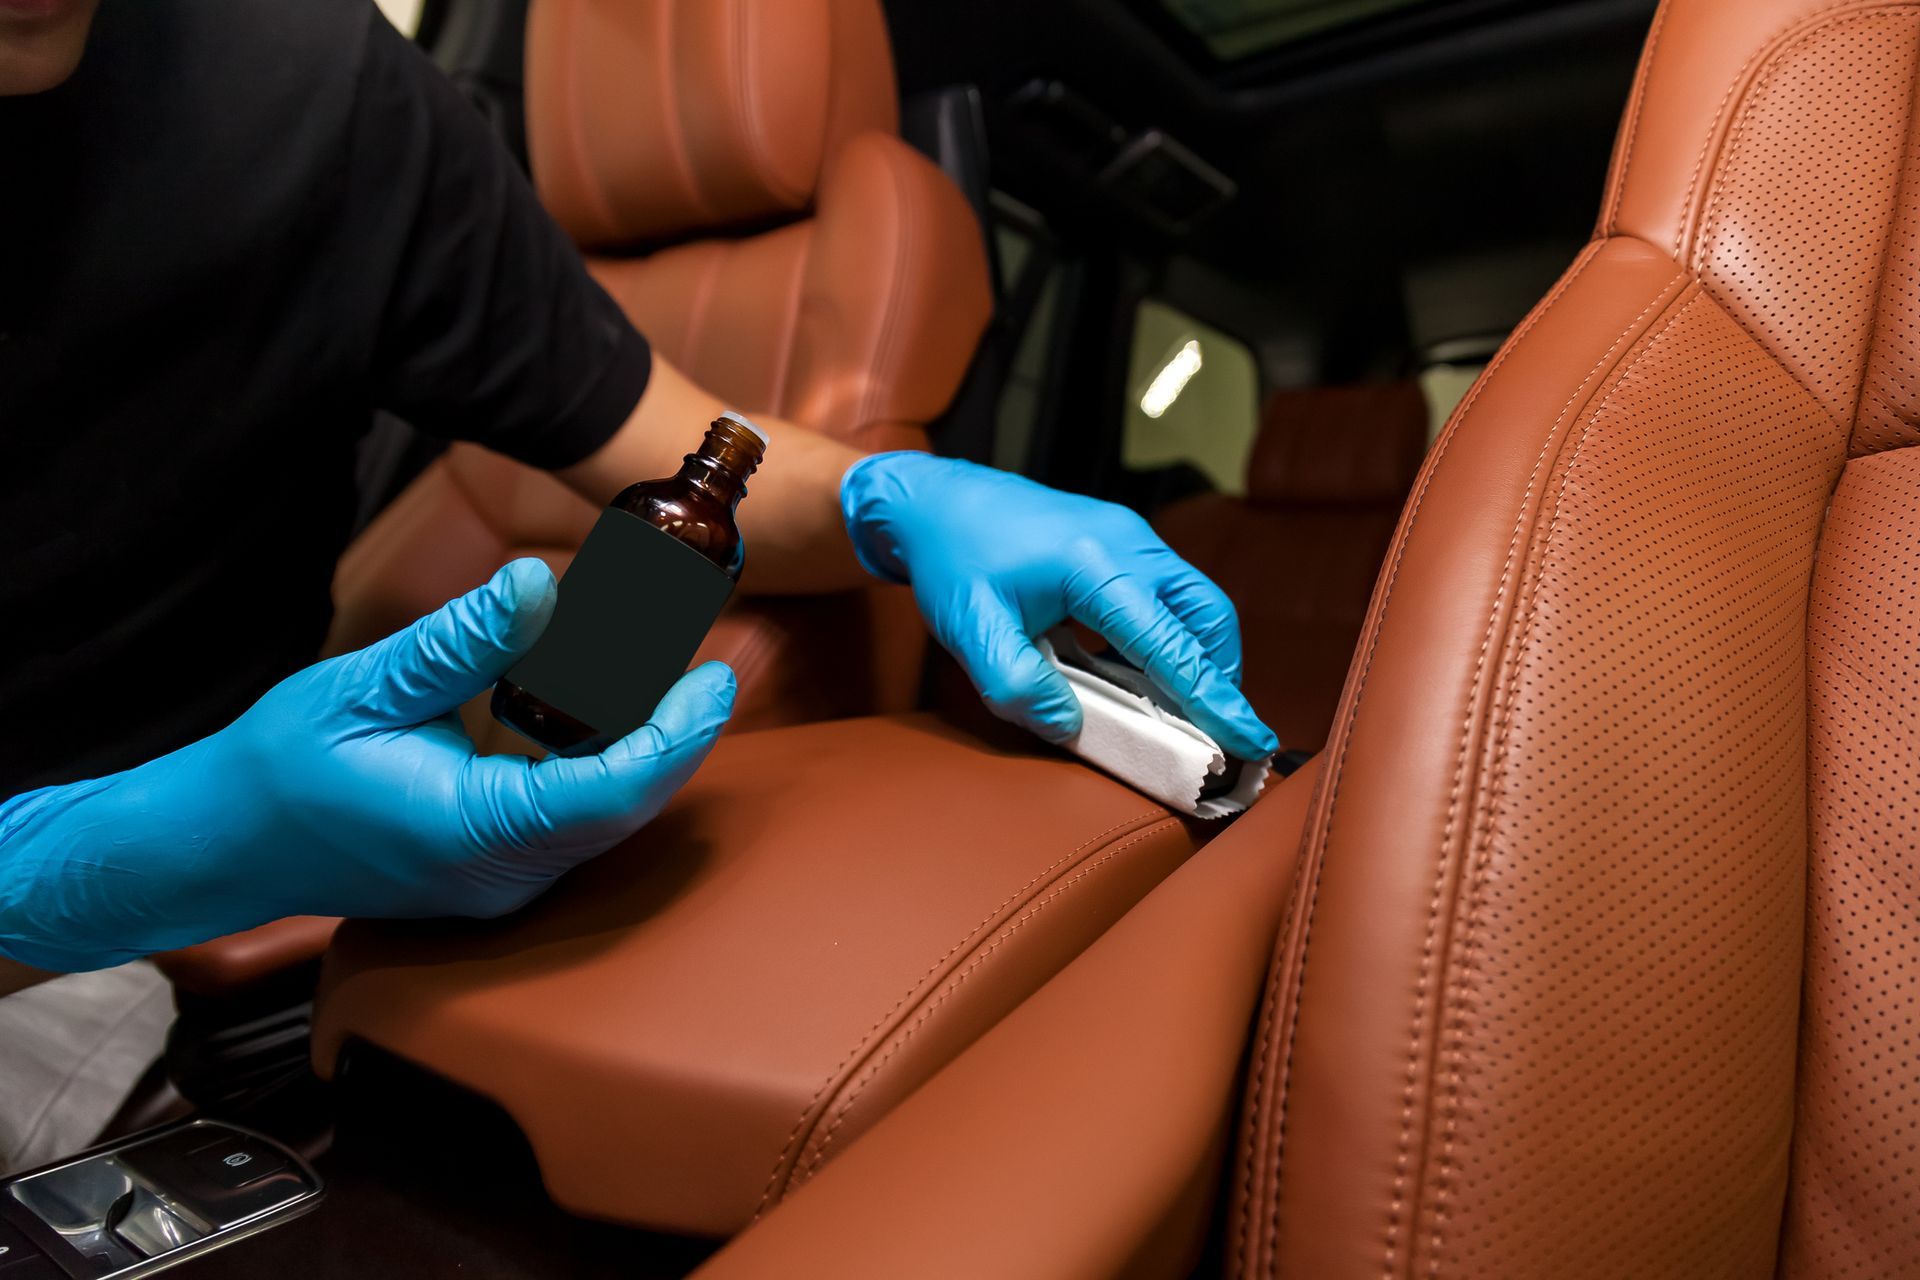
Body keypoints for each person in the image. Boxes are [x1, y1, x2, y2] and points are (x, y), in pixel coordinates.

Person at [0, 0, 1276, 1163]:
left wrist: (884, 501)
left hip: (115, 972)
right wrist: (62, 871)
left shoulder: (318, 100)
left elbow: (673, 447)